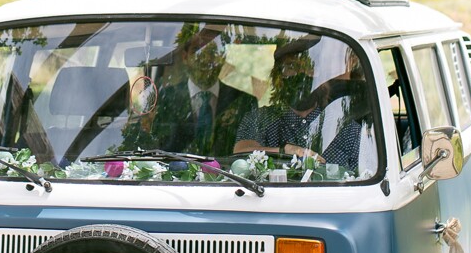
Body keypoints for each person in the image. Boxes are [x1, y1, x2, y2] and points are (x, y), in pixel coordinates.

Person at [235, 39, 374, 175]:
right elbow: (241, 152)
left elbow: (366, 177)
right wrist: (286, 151)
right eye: (290, 67)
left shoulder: (345, 126)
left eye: (308, 67)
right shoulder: (260, 119)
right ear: (277, 78)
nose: (300, 74)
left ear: (322, 78)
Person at [122, 23, 257, 158]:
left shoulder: (243, 101)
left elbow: (251, 155)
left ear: (223, 57)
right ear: (185, 57)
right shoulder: (164, 99)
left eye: (213, 52)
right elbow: (153, 149)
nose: (205, 59)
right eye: (197, 51)